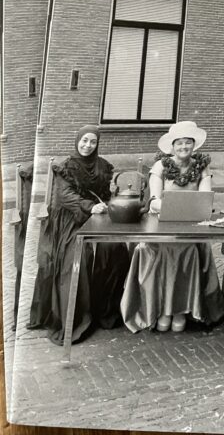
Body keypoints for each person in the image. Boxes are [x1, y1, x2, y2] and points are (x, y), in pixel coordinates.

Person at [120, 121, 224, 333]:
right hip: (162, 224)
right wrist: (173, 205)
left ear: (194, 145)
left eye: (188, 142)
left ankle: (181, 310)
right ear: (172, 146)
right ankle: (162, 310)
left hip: (190, 225)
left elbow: (205, 200)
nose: (184, 147)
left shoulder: (201, 166)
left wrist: (191, 208)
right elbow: (153, 201)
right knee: (153, 250)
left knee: (190, 251)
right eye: (179, 143)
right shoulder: (161, 166)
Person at [28, 126, 130, 345]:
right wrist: (90, 207)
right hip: (70, 219)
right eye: (84, 141)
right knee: (78, 255)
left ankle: (105, 311)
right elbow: (65, 197)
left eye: (92, 142)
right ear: (77, 141)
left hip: (98, 217)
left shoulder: (103, 166)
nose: (87, 146)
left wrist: (109, 197)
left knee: (114, 248)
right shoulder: (65, 167)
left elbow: (105, 195)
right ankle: (76, 318)